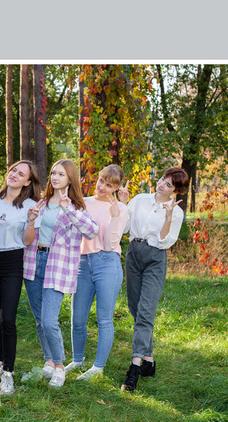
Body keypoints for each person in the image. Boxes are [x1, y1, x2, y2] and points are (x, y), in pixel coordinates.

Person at [19, 159, 92, 389]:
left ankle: (60, 367)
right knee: (40, 320)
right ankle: (49, 361)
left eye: (61, 174)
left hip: (57, 265)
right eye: (53, 173)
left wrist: (67, 208)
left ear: (71, 178)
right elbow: (28, 234)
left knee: (50, 321)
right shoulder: (41, 202)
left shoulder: (76, 207)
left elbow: (91, 231)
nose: (55, 177)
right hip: (33, 261)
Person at [119, 166, 186, 393]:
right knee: (135, 308)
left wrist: (167, 216)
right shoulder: (139, 200)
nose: (162, 184)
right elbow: (125, 227)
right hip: (133, 253)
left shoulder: (176, 212)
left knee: (145, 312)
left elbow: (164, 240)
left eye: (169, 184)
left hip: (155, 259)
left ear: (176, 191)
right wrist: (122, 203)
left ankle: (135, 367)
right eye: (163, 179)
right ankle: (149, 360)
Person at [0, 162, 37, 395]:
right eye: (13, 170)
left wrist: (32, 221)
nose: (15, 175)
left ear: (27, 182)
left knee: (8, 318)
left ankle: (8, 374)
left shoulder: (30, 206)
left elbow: (27, 241)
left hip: (12, 261)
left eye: (21, 174)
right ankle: (0, 361)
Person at [70, 165, 127, 381]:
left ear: (117, 187)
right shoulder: (84, 203)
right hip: (83, 262)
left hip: (107, 262)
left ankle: (98, 367)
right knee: (78, 318)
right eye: (101, 181)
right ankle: (77, 360)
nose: (102, 187)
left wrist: (114, 217)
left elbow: (111, 243)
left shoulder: (121, 208)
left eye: (109, 185)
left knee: (104, 318)